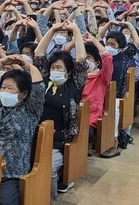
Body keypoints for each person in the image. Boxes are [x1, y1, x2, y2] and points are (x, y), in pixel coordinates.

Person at [0, 45, 45, 205]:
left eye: (10, 88)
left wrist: (28, 65)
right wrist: (1, 61)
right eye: (3, 87)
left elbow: (39, 88)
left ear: (24, 94)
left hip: (10, 173)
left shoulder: (30, 110)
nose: (5, 91)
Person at [33, 21, 87, 197]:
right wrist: (53, 30)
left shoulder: (74, 85)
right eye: (53, 67)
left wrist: (76, 31)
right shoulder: (44, 82)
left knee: (48, 170)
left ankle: (48, 198)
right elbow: (39, 53)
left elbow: (80, 59)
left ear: (69, 72)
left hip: (59, 140)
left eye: (59, 68)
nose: (55, 70)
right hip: (35, 134)